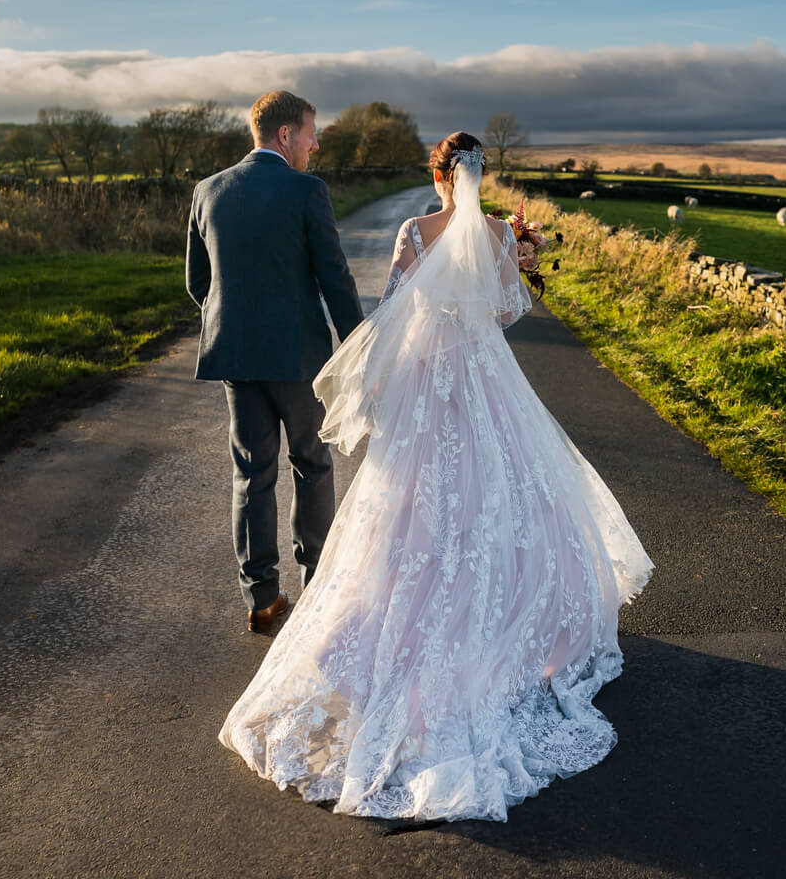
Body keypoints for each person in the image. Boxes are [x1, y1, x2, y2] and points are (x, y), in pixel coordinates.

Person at [219, 131, 653, 822]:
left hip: (427, 377)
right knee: (507, 490)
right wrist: (518, 258)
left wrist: (382, 377)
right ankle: (518, 617)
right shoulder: (497, 234)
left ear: (438, 175)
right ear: (481, 174)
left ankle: (380, 626)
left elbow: (393, 306)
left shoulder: (417, 230)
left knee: (411, 503)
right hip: (485, 375)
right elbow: (509, 311)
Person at [186, 90, 366, 633]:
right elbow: (335, 278)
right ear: (285, 134)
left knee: (251, 474)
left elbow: (199, 284)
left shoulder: (207, 190)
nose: (315, 143)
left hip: (237, 359)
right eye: (311, 132)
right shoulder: (307, 191)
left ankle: (261, 598)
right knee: (312, 465)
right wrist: (357, 346)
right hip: (298, 359)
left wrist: (238, 322)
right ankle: (314, 587)